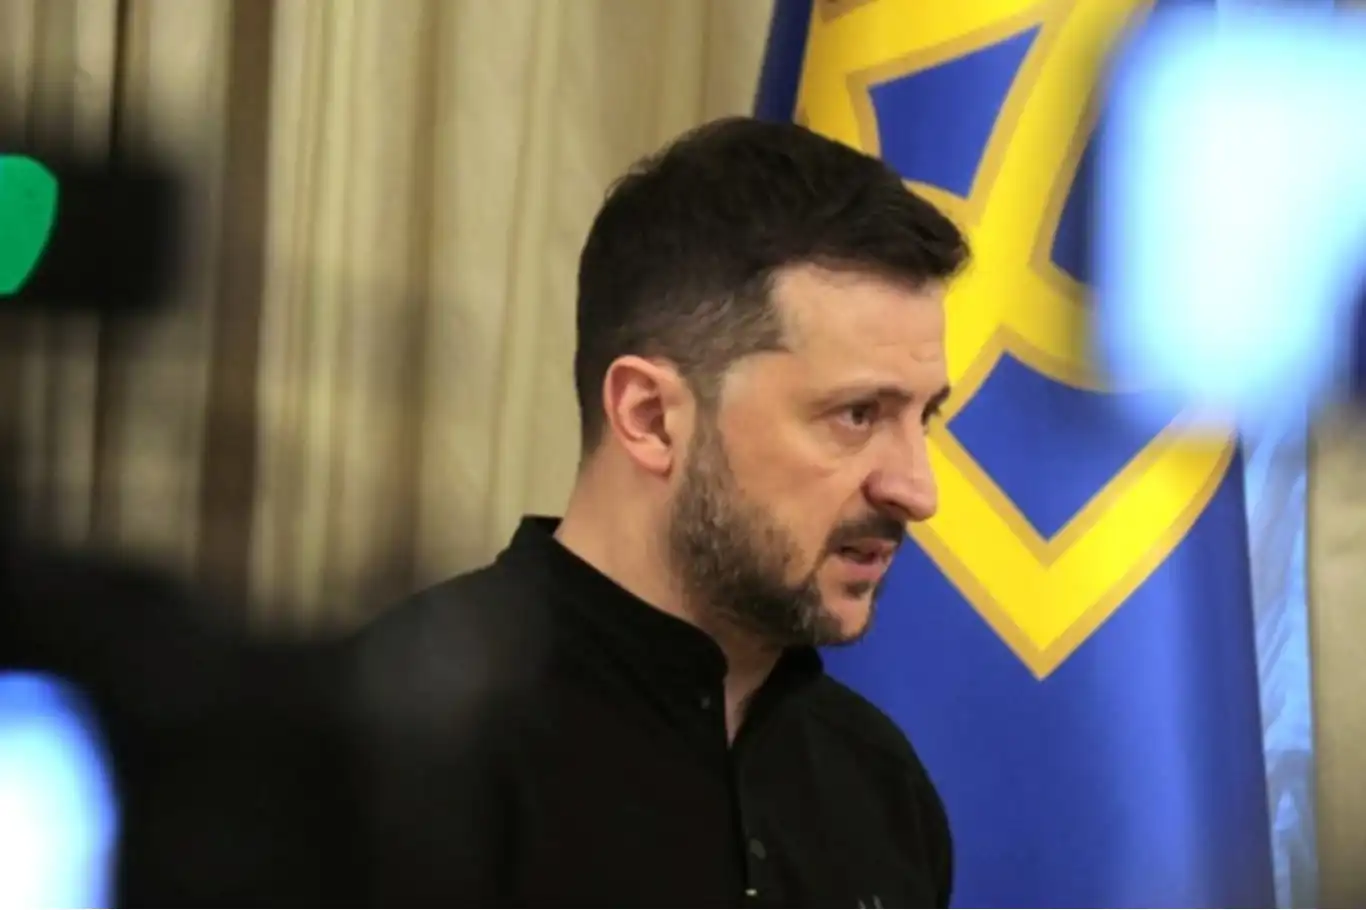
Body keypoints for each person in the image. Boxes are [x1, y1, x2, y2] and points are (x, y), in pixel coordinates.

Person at [347, 116, 971, 908]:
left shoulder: (880, 789)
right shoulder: (380, 750)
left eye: (924, 418)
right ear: (649, 417)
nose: (918, 490)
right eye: (857, 415)